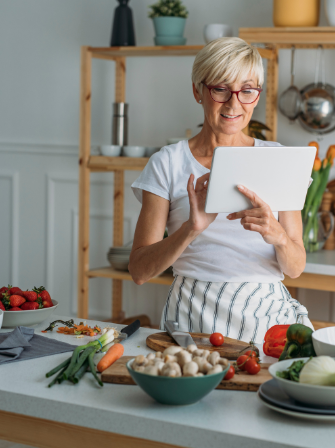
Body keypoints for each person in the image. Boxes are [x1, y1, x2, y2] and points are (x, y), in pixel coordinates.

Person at [129, 37, 312, 343]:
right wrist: (191, 228)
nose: (233, 104)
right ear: (198, 91)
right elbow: (139, 271)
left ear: (257, 96)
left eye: (247, 91)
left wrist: (277, 234)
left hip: (268, 317)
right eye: (220, 89)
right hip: (193, 315)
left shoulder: (277, 159)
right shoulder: (168, 163)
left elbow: (295, 268)